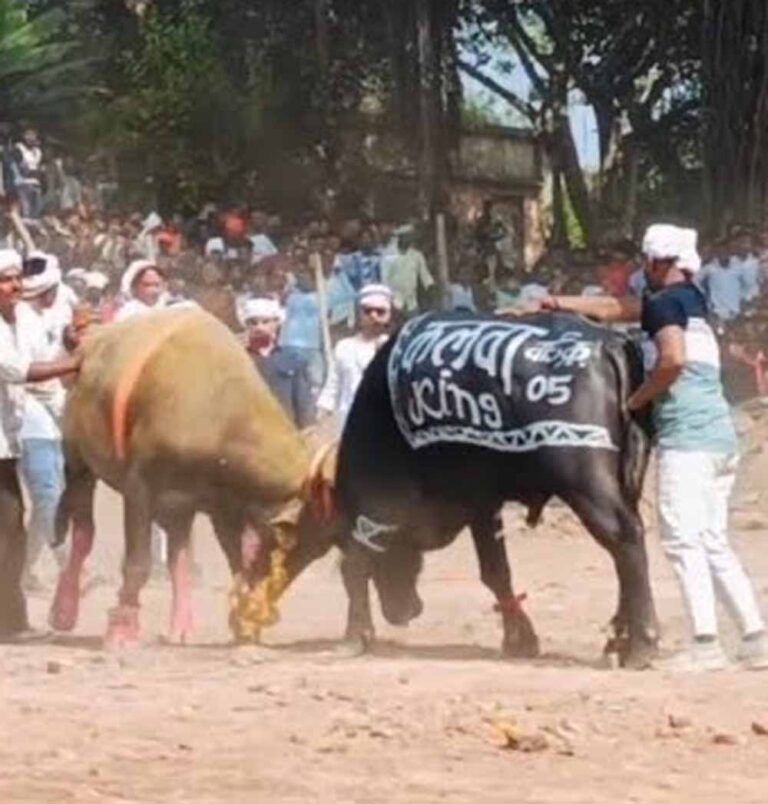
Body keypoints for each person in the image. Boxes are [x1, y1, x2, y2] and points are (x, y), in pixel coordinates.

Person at [536, 223, 768, 672]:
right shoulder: (690, 300)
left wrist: (634, 401)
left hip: (687, 440)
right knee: (713, 540)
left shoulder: (664, 305)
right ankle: (755, 636)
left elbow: (672, 359)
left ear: (658, 262)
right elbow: (615, 308)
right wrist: (558, 303)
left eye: (647, 262)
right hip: (720, 436)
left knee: (683, 540)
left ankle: (705, 643)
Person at [0, 248, 80, 641]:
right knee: (9, 529)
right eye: (5, 279)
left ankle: (11, 621)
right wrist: (80, 362)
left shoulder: (25, 319)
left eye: (15, 278)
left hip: (8, 440)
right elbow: (19, 371)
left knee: (11, 529)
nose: (13, 285)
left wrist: (70, 344)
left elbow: (45, 358)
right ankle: (9, 623)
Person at [18, 253, 69, 590]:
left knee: (48, 499)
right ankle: (70, 566)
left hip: (50, 415)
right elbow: (25, 372)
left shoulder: (41, 317)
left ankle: (22, 571)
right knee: (48, 495)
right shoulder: (20, 320)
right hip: (26, 415)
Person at [317, 284, 392, 429]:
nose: (373, 316)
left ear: (388, 315)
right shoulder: (344, 347)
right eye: (368, 311)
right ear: (359, 313)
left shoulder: (396, 347)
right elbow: (333, 385)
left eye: (380, 311)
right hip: (348, 423)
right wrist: (323, 413)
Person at [242, 298, 314, 429]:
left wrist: (307, 434)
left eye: (265, 322)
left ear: (276, 323)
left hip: (285, 435)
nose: (259, 327)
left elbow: (304, 406)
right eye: (253, 323)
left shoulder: (292, 360)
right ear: (247, 326)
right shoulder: (239, 360)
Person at [382, 228, 434, 315]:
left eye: (410, 238)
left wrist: (430, 288)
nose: (409, 240)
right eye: (407, 237)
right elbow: (385, 280)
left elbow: (425, 276)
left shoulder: (417, 255)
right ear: (400, 238)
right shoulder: (389, 256)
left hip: (412, 303)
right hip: (394, 303)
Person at [12, 128, 44, 221]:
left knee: (36, 209)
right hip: (23, 183)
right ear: (24, 136)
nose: (30, 137)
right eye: (28, 135)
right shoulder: (19, 148)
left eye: (33, 135)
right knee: (26, 210)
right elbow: (16, 165)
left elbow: (38, 166)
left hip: (36, 182)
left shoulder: (38, 151)